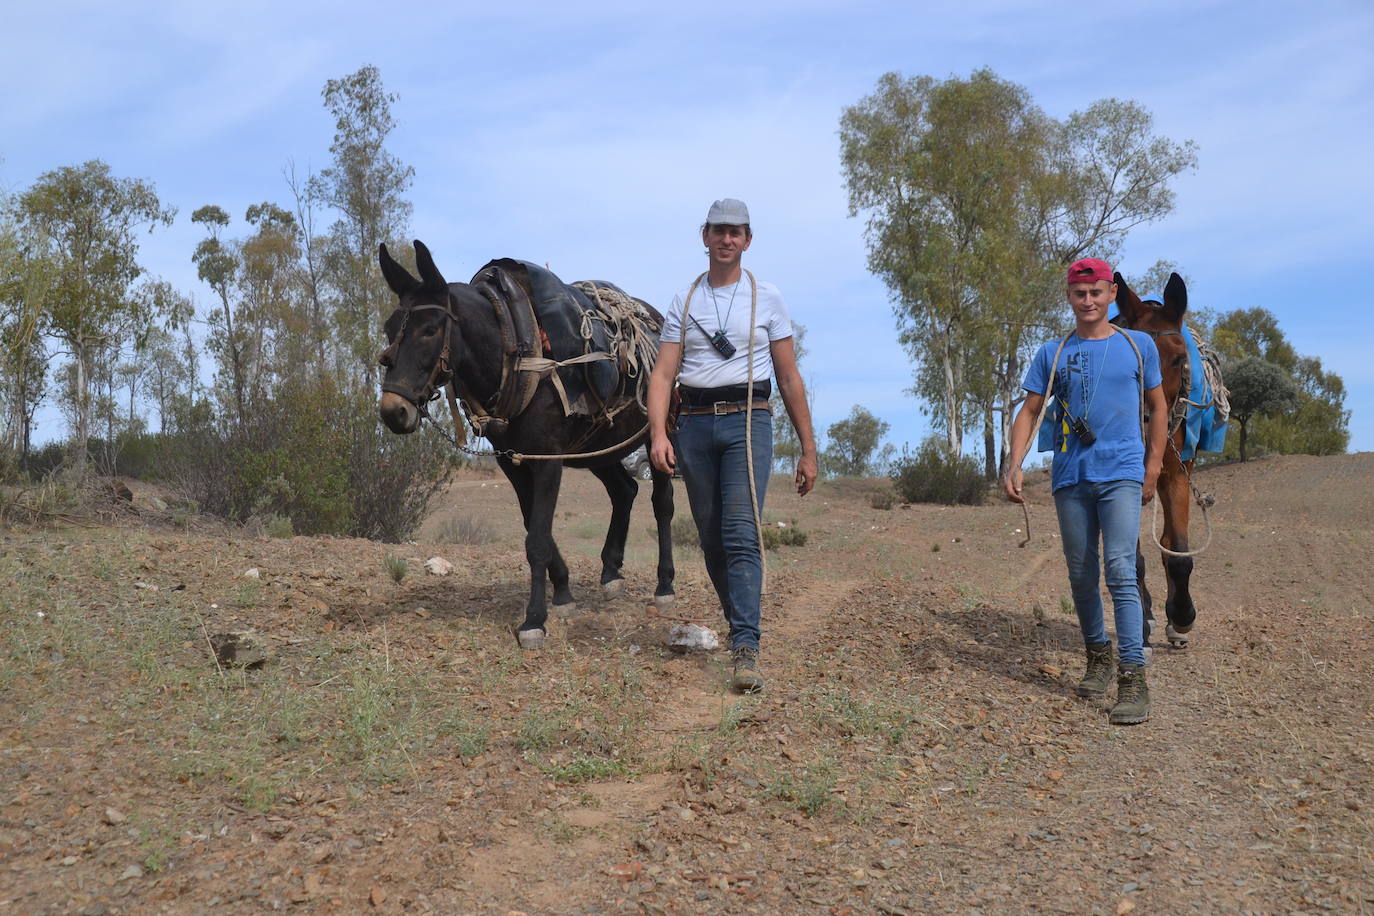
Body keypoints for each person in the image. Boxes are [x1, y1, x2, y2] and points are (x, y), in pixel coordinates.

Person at [647, 198, 818, 693]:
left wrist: (808, 448)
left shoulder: (768, 298)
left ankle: (746, 646)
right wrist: (659, 432)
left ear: (748, 240)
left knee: (742, 531)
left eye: (736, 232)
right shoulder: (684, 300)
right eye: (719, 231)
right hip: (695, 426)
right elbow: (663, 374)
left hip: (749, 421)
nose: (727, 239)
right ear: (705, 236)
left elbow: (788, 377)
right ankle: (739, 620)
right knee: (711, 536)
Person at [1003, 258, 1167, 725]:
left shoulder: (1139, 347)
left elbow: (1157, 408)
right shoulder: (1053, 353)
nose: (1089, 301)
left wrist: (1152, 465)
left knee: (1120, 569)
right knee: (1080, 573)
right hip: (1071, 478)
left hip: (1122, 473)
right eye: (1080, 294)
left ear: (1112, 293)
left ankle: (1132, 675)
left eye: (1096, 292)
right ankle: (1097, 654)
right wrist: (1014, 463)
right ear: (1069, 297)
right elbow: (1030, 411)